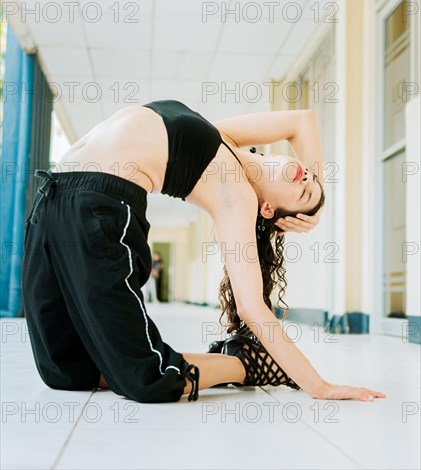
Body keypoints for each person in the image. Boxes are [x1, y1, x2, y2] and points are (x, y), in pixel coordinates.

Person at [22, 100, 385, 404]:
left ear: (269, 211)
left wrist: (319, 386)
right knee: (64, 370)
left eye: (303, 194)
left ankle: (245, 364)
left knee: (147, 379)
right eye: (310, 178)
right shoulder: (224, 137)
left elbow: (252, 306)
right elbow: (301, 121)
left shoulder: (237, 197)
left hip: (99, 206)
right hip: (52, 197)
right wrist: (318, 199)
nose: (306, 179)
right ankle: (132, 364)